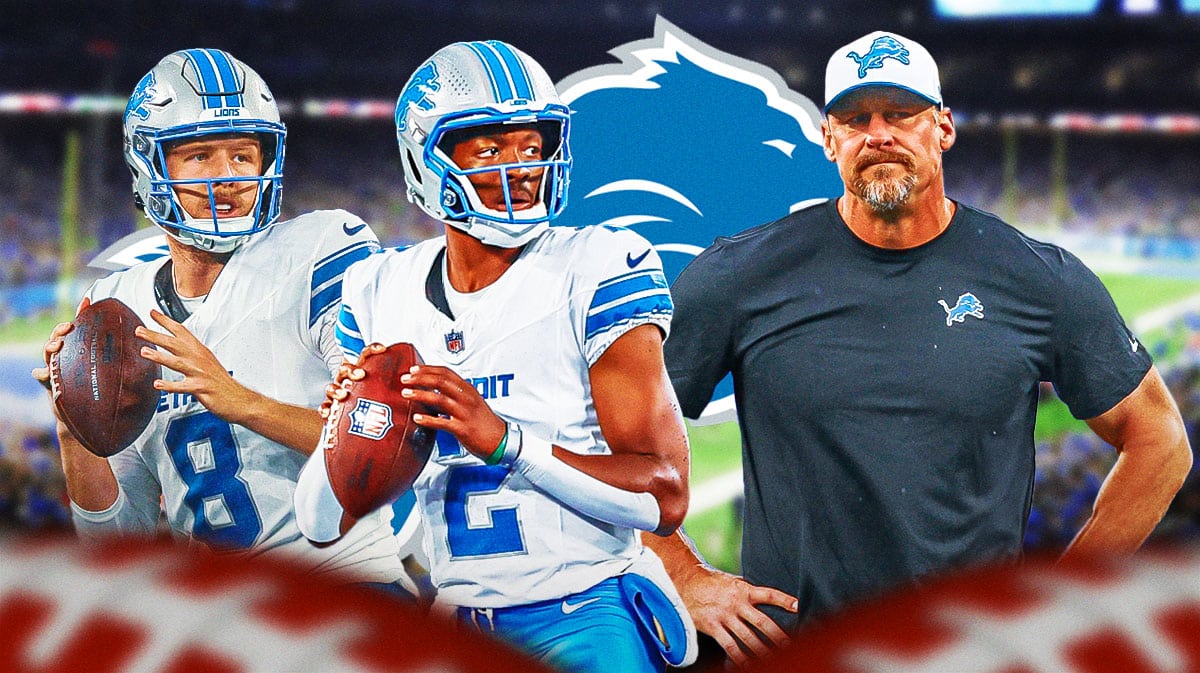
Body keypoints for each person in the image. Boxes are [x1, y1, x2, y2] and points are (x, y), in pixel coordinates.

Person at [645, 29, 1193, 664]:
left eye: (900, 113)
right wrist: (681, 570)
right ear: (829, 140)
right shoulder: (740, 275)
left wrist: (1059, 603)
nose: (878, 133)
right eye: (854, 118)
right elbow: (604, 434)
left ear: (944, 128)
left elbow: (1160, 442)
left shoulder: (1037, 278)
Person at [293, 40, 698, 672]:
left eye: (532, 146)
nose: (522, 167)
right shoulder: (377, 290)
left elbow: (663, 498)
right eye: (489, 147)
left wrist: (505, 440)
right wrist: (345, 433)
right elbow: (320, 522)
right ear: (425, 160)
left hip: (585, 615)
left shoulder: (595, 266)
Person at [32, 49, 412, 594]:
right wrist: (74, 434)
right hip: (228, 615)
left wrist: (238, 400)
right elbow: (120, 541)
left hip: (347, 591)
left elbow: (384, 438)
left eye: (242, 154)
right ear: (150, 166)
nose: (228, 177)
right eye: (200, 155)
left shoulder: (320, 251)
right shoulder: (117, 305)